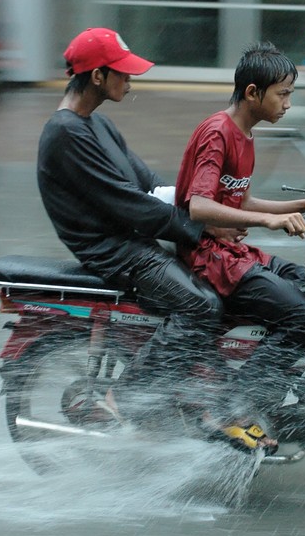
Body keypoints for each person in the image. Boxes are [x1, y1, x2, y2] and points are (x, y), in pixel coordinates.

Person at [37, 26, 223, 423]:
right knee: (201, 308)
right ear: (98, 76)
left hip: (135, 241)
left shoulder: (98, 125)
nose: (130, 78)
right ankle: (124, 398)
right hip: (118, 253)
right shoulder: (65, 133)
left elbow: (150, 185)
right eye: (121, 71)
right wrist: (199, 229)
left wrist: (211, 205)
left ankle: (193, 395)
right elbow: (129, 205)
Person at [175, 40, 305, 448]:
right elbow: (199, 206)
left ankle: (293, 400)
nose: (287, 104)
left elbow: (240, 201)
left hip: (235, 252)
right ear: (252, 93)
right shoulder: (218, 133)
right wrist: (269, 220)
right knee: (302, 317)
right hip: (208, 257)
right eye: (282, 94)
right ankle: (232, 407)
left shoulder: (244, 134)